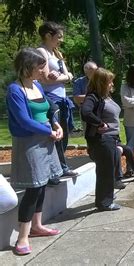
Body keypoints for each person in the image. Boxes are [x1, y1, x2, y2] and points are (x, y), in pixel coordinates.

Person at [7, 48, 63, 255]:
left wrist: (56, 124)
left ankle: (37, 227)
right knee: (32, 188)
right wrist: (49, 130)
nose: (43, 71)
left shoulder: (37, 85)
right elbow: (24, 120)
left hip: (46, 141)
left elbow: (48, 109)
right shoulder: (15, 90)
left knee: (42, 185)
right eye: (40, 67)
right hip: (29, 145)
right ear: (28, 67)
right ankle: (22, 237)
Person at [37, 21, 78, 183]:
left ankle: (61, 166)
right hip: (51, 98)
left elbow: (69, 76)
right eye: (58, 37)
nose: (61, 40)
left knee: (65, 133)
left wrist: (62, 77)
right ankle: (56, 170)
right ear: (48, 35)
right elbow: (46, 80)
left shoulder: (56, 53)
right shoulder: (42, 52)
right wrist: (64, 77)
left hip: (62, 98)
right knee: (56, 135)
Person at [81, 67, 124, 211]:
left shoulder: (104, 96)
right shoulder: (92, 97)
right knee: (105, 171)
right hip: (101, 140)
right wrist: (99, 123)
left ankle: (106, 197)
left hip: (111, 139)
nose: (112, 84)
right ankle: (105, 202)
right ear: (101, 83)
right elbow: (85, 112)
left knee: (108, 170)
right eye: (109, 82)